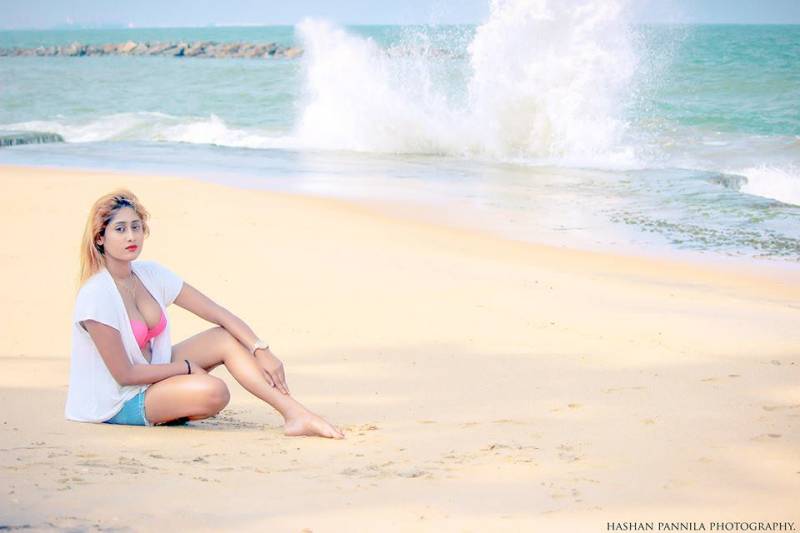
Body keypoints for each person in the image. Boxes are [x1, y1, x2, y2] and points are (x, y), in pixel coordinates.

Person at [64, 189, 345, 439]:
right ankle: (176, 403)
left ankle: (294, 414)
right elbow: (124, 374)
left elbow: (217, 313)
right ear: (100, 238)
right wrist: (185, 368)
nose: (131, 236)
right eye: (121, 229)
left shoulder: (151, 274)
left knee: (223, 338)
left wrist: (261, 349)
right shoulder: (96, 295)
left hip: (154, 375)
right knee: (214, 392)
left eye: (136, 227)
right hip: (117, 400)